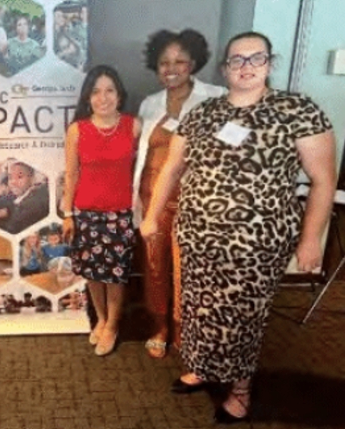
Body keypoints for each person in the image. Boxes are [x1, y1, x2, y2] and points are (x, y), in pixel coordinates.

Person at [140, 31, 336, 423]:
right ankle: (202, 368)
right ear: (225, 67)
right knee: (196, 309)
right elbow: (173, 169)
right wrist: (151, 216)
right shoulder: (204, 112)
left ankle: (241, 389)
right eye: (237, 60)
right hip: (196, 236)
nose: (246, 66)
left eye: (255, 58)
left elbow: (323, 180)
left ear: (270, 63)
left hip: (257, 243)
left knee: (241, 316)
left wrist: (311, 238)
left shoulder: (297, 110)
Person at [134, 29, 225, 359]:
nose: (171, 69)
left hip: (194, 203)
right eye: (164, 63)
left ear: (194, 63)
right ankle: (159, 326)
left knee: (188, 271)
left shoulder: (216, 98)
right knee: (155, 266)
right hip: (152, 200)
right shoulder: (149, 104)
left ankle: (184, 327)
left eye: (180, 62)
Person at [62, 65, 141, 356]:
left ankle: (112, 325)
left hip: (120, 214)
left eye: (109, 90)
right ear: (88, 97)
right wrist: (68, 214)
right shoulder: (77, 130)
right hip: (86, 213)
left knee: (115, 275)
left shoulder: (134, 126)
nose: (103, 97)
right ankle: (102, 318)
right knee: (94, 273)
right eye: (96, 91)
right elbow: (70, 175)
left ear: (119, 95)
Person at [2, 161, 49, 234]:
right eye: (10, 178)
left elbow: (13, 229)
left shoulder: (31, 204)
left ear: (32, 179)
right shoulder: (24, 197)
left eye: (19, 177)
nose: (13, 182)